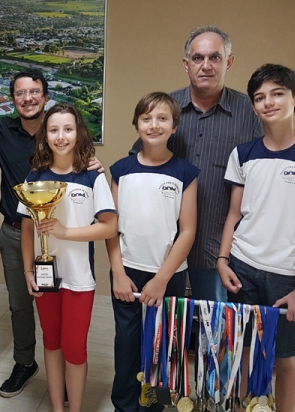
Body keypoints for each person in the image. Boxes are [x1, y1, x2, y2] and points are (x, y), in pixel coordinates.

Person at [217, 64, 295, 412]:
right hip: (241, 268)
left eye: (277, 93)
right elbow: (234, 214)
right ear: (254, 107)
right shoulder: (243, 154)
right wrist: (223, 260)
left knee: (285, 358)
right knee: (241, 352)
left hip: (286, 276)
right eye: (260, 97)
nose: (268, 102)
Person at [0, 70, 103, 398]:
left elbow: (106, 219)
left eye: (34, 91)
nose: (28, 97)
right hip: (17, 233)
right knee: (21, 306)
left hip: (63, 244)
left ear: (45, 97)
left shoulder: (72, 150)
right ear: (13, 99)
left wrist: (95, 166)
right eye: (20, 93)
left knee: (67, 329)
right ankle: (25, 363)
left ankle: (64, 384)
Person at [130, 26, 263, 302]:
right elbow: (136, 164)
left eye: (215, 57)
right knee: (165, 332)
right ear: (186, 64)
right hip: (164, 249)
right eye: (197, 58)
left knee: (215, 332)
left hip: (218, 250)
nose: (206, 66)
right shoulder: (165, 109)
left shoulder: (250, 114)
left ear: (229, 62)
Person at [18, 103, 117, 412]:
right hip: (45, 276)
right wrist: (27, 271)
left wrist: (64, 232)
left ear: (79, 133)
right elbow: (26, 230)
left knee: (74, 348)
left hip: (79, 279)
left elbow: (110, 227)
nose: (61, 137)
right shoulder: (35, 176)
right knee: (50, 341)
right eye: (54, 130)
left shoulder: (92, 176)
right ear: (45, 135)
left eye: (68, 129)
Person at [108, 92, 199, 412]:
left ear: (174, 126)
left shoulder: (185, 172)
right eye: (146, 118)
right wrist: (118, 272)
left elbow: (187, 230)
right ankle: (124, 404)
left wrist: (162, 278)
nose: (154, 125)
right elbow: (110, 227)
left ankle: (155, 406)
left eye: (162, 118)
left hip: (169, 274)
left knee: (163, 346)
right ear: (136, 126)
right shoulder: (120, 169)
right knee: (127, 343)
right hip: (127, 270)